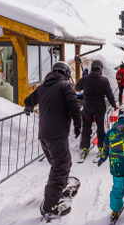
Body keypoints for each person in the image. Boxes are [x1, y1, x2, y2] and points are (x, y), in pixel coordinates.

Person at [24, 61, 81, 216]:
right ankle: (50, 205)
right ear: (66, 74)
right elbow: (73, 105)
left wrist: (28, 107)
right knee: (60, 167)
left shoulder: (42, 88)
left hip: (44, 135)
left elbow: (28, 101)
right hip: (57, 134)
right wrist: (77, 124)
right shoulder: (65, 86)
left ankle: (60, 187)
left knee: (62, 163)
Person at [75, 59, 117, 161]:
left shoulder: (85, 79)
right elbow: (110, 94)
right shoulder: (104, 80)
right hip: (100, 108)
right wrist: (114, 105)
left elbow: (77, 88)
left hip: (87, 107)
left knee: (86, 128)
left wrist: (83, 78)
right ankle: (101, 147)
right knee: (101, 128)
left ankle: (84, 147)